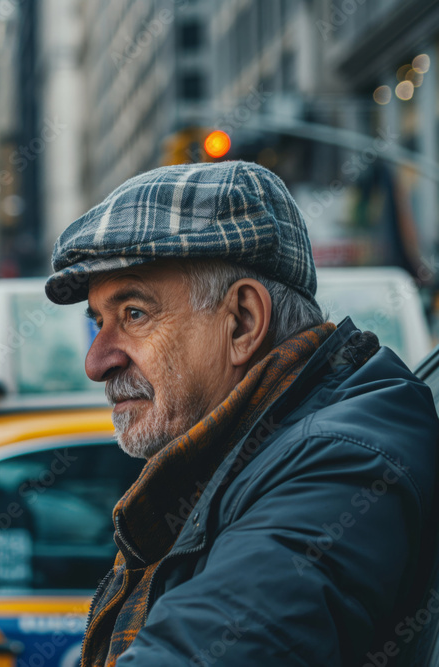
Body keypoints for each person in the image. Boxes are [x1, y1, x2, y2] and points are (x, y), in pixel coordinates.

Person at [44, 160, 439, 666]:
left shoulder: (340, 462)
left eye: (134, 314)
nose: (97, 362)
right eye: (98, 322)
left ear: (243, 322)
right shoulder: (267, 455)